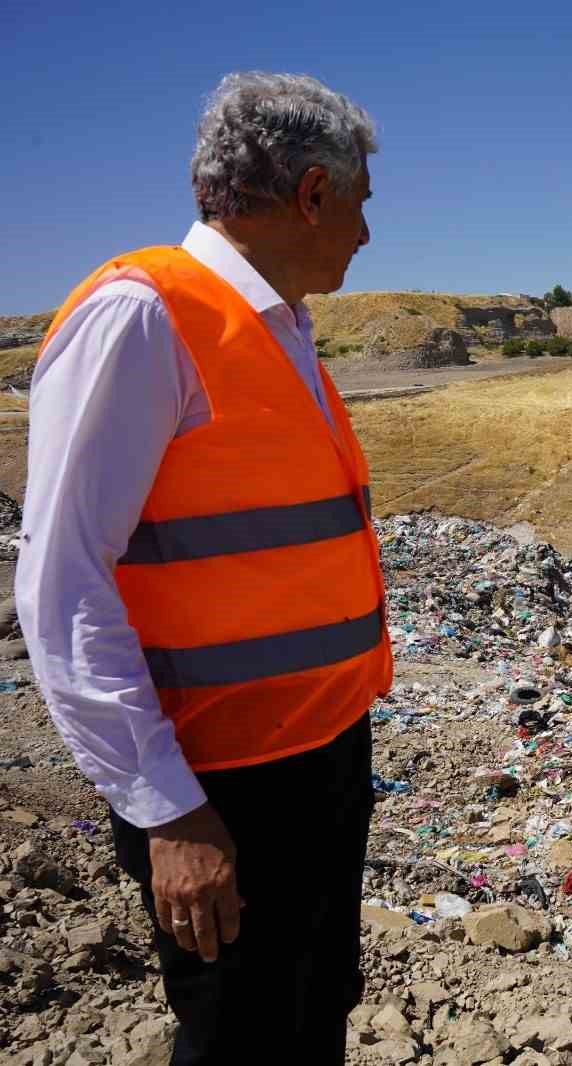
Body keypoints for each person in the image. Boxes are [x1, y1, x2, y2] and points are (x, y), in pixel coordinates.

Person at [16, 72, 391, 1064]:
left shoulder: (281, 326)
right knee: (242, 1039)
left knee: (310, 1020)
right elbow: (61, 583)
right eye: (359, 204)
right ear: (312, 193)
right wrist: (167, 809)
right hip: (220, 788)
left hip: (319, 758)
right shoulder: (142, 318)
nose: (365, 233)